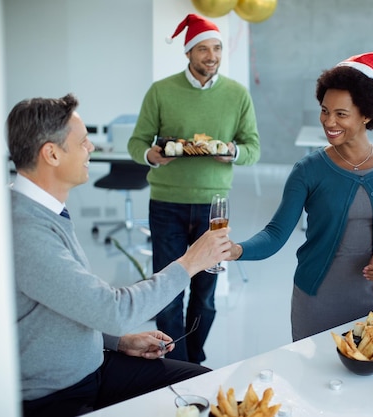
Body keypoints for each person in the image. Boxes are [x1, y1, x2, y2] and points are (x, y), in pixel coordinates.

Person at [8, 94, 232, 417]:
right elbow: (114, 309)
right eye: (84, 142)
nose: (92, 149)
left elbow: (72, 304)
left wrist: (118, 340)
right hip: (57, 396)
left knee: (203, 388)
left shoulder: (44, 209)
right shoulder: (26, 231)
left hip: (97, 366)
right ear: (51, 154)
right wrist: (190, 262)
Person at [226, 51, 373, 341]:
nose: (329, 121)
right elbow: (276, 233)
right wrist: (238, 250)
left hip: (371, 301)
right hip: (316, 299)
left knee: (368, 376)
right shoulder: (308, 170)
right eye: (325, 110)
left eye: (341, 114)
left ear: (366, 114)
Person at [127, 14, 260, 364]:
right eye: (203, 49)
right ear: (188, 53)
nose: (211, 56)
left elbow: (253, 149)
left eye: (216, 48)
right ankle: (172, 365)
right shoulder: (161, 91)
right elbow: (137, 143)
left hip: (213, 207)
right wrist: (152, 155)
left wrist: (232, 151)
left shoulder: (237, 95)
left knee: (205, 295)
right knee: (168, 293)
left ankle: (193, 362)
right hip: (167, 202)